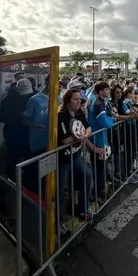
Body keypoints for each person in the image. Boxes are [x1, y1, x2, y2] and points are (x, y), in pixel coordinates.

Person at [57, 89, 94, 221]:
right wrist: (79, 136)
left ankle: (82, 209)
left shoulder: (79, 113)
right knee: (61, 192)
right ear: (67, 101)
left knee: (87, 177)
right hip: (63, 159)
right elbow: (65, 140)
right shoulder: (61, 116)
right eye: (75, 99)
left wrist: (84, 134)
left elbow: (88, 127)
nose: (79, 102)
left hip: (76, 156)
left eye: (80, 99)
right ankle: (58, 221)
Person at [88, 81, 115, 204]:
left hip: (98, 138)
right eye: (107, 90)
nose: (109, 92)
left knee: (99, 168)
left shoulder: (97, 100)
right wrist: (113, 120)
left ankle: (97, 192)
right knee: (99, 169)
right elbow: (106, 123)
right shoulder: (98, 103)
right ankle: (97, 194)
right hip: (98, 139)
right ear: (100, 92)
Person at [23, 76, 50, 157]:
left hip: (52, 141)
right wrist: (38, 125)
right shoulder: (34, 99)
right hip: (38, 141)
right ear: (47, 83)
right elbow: (25, 121)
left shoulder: (58, 97)